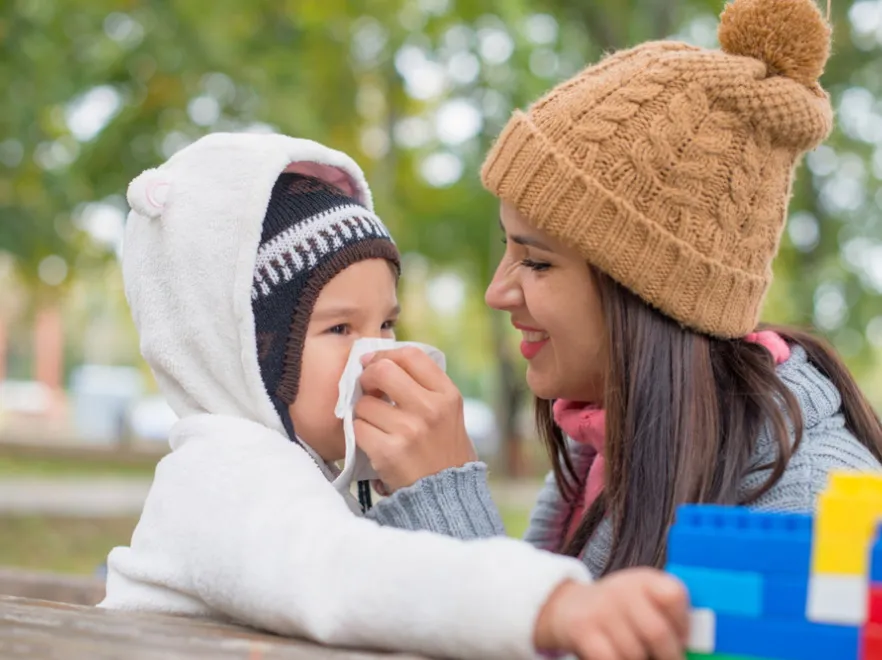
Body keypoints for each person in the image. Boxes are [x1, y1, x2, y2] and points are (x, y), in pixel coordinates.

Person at [99, 132, 690, 660]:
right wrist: (551, 606)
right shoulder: (219, 474)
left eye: (386, 324)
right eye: (340, 329)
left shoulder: (315, 472)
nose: (377, 354)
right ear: (245, 352)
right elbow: (341, 575)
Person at [353, 0, 882, 578]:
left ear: (650, 294)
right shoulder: (607, 438)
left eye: (537, 262)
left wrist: (444, 503)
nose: (497, 292)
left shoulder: (812, 514)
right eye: (508, 247)